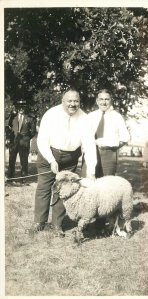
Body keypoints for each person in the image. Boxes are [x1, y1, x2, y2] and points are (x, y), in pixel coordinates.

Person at [31, 88, 97, 235]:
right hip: (48, 153)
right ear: (62, 101)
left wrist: (91, 170)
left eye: (76, 101)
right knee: (44, 187)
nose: (73, 104)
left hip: (71, 157)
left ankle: (57, 225)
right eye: (69, 101)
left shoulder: (85, 119)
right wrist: (51, 160)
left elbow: (90, 145)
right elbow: (42, 140)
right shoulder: (51, 114)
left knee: (63, 190)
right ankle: (39, 222)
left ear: (79, 102)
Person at [82, 89, 130, 230]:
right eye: (101, 99)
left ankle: (100, 224)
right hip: (91, 152)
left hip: (108, 154)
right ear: (97, 101)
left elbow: (125, 137)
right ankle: (85, 220)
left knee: (106, 188)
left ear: (111, 101)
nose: (104, 102)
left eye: (107, 99)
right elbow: (84, 135)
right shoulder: (90, 116)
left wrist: (112, 145)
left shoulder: (117, 117)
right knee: (88, 184)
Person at [6, 100, 36, 181]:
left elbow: (33, 132)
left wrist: (26, 138)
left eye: (23, 107)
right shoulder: (12, 117)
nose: (21, 108)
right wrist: (9, 138)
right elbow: (7, 127)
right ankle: (10, 177)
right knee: (11, 160)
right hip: (13, 142)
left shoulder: (30, 117)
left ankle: (24, 178)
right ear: (17, 107)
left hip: (24, 142)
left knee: (24, 161)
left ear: (25, 107)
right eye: (19, 107)